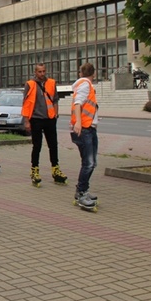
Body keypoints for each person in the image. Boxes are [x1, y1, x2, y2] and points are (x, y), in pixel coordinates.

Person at [22, 63, 67, 187]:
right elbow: (26, 103)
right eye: (39, 72)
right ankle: (34, 170)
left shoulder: (52, 83)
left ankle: (55, 169)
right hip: (36, 119)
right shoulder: (30, 84)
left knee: (53, 145)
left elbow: (55, 100)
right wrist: (26, 121)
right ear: (35, 72)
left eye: (44, 71)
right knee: (37, 146)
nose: (42, 74)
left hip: (50, 119)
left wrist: (56, 114)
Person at [70, 62, 99, 210]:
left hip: (89, 128)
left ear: (80, 73)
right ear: (94, 74)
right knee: (88, 163)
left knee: (90, 163)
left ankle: (83, 190)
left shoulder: (85, 85)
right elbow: (77, 104)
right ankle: (81, 193)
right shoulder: (86, 85)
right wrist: (79, 124)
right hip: (84, 129)